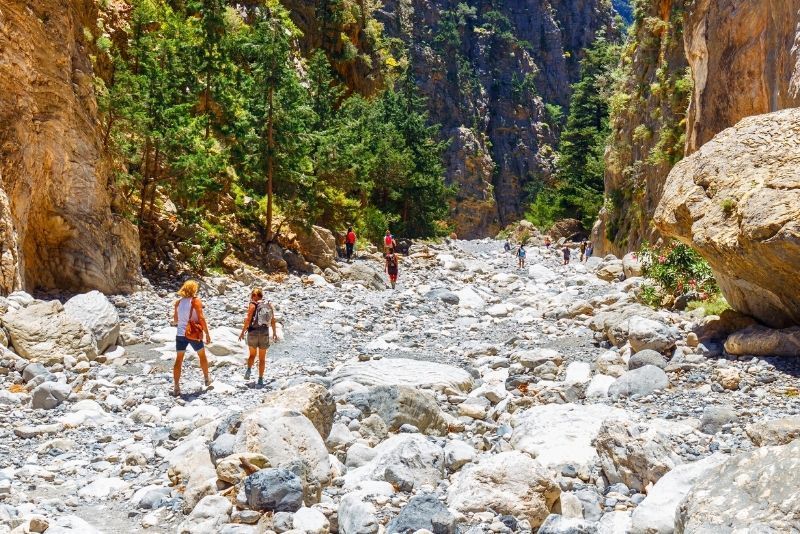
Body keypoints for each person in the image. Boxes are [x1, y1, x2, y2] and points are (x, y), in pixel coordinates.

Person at [172, 280, 212, 397]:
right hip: (193, 334)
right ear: (194, 289)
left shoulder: (178, 303)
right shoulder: (196, 301)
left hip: (180, 334)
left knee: (179, 360)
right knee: (202, 355)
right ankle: (206, 378)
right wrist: (207, 333)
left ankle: (176, 386)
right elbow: (201, 318)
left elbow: (175, 320)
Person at [238, 288, 277, 388]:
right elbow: (273, 320)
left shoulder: (253, 305)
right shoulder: (268, 305)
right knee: (262, 358)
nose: (251, 297)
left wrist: (242, 332)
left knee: (252, 355)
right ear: (261, 295)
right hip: (264, 333)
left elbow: (248, 320)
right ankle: (260, 379)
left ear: (255, 296)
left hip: (253, 333)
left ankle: (249, 370)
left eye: (252, 295)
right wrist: (274, 333)